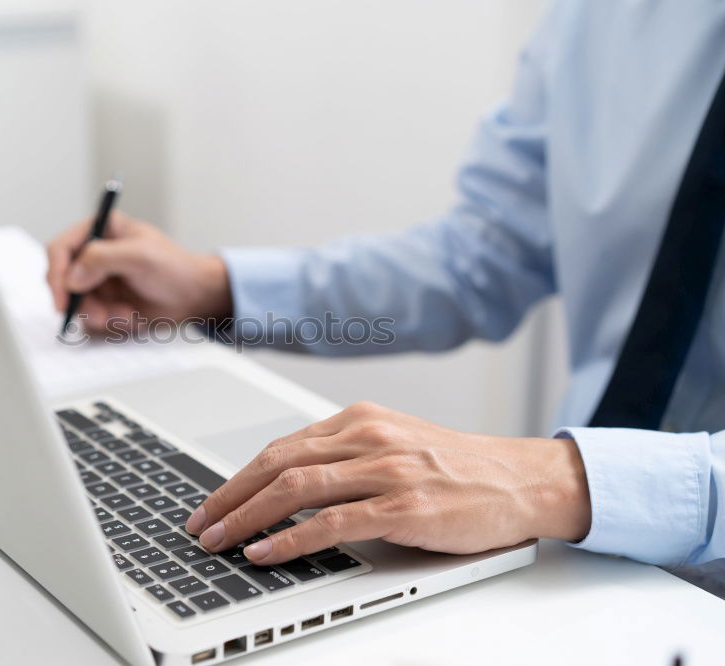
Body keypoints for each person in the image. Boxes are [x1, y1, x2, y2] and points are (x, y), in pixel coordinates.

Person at [46, 1, 725, 595]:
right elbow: (481, 258)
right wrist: (217, 289)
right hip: (583, 568)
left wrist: (562, 481)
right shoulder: (601, 15)